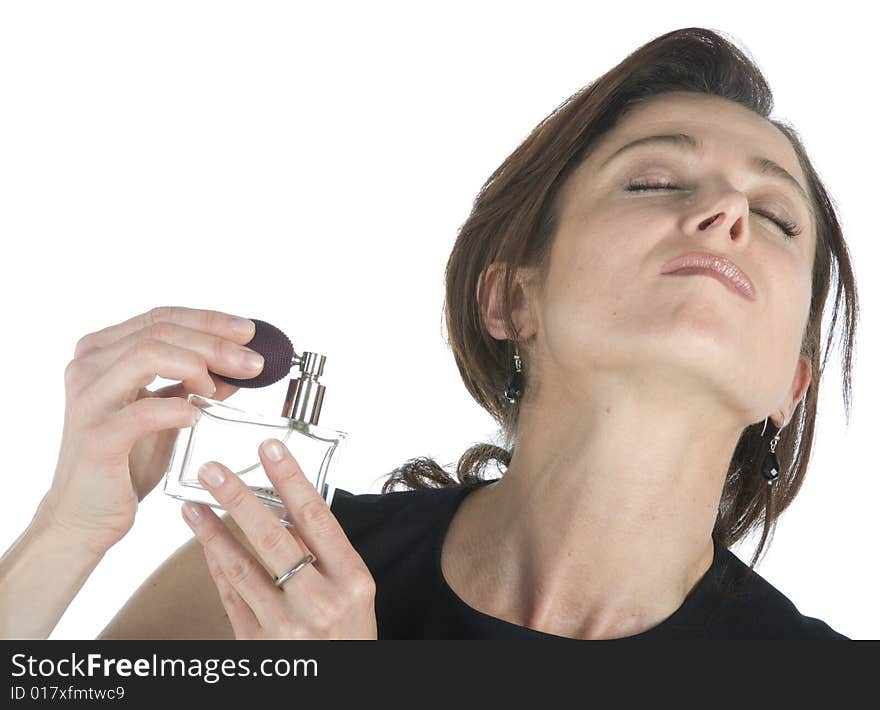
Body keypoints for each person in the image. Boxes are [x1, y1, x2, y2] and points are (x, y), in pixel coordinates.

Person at [0, 27, 857, 640]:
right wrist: (66, 531)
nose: (725, 214)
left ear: (790, 385)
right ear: (510, 302)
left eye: (777, 218)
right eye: (657, 181)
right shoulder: (276, 577)